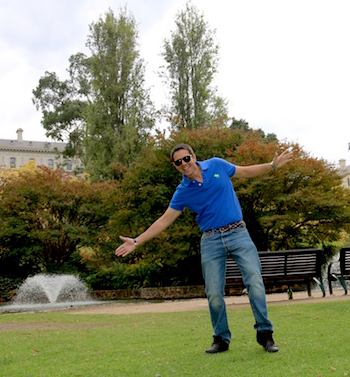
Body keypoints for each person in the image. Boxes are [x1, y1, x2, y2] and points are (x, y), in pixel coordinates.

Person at [115, 143, 293, 354]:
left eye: (186, 158)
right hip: (211, 240)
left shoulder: (217, 165)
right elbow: (164, 220)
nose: (184, 164)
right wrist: (137, 241)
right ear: (175, 166)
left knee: (254, 281)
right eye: (178, 162)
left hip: (238, 232)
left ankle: (265, 334)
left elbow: (245, 172)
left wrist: (272, 166)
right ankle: (221, 338)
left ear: (193, 156)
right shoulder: (183, 192)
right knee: (214, 293)